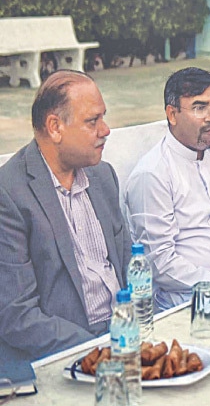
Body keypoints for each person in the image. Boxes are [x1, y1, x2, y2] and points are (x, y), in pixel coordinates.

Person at [0, 70, 131, 361]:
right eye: (92, 121)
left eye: (103, 118)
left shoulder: (103, 176)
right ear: (55, 127)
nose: (105, 130)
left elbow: (129, 268)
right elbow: (17, 315)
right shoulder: (9, 194)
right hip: (66, 353)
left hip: (125, 336)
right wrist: (97, 350)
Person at [125, 67, 210, 311]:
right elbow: (159, 263)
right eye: (200, 108)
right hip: (187, 299)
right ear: (172, 114)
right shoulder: (153, 174)